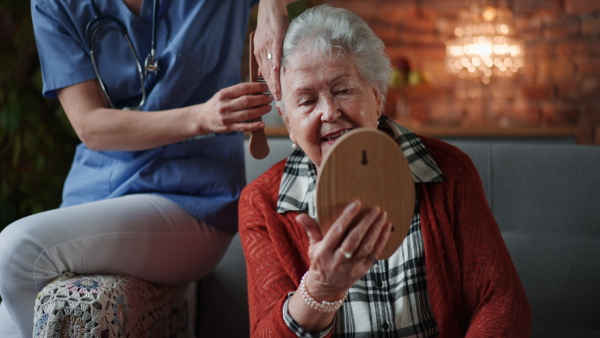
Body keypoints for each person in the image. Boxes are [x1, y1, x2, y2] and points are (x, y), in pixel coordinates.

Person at [0, 0, 296, 337]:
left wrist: (273, 7)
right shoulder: (56, 4)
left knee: (16, 252)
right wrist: (202, 117)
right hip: (96, 192)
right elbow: (90, 126)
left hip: (193, 198)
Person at [238, 5, 532, 337]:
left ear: (377, 97)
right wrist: (320, 290)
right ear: (288, 122)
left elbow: (501, 303)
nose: (329, 112)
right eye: (306, 101)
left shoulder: (449, 170)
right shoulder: (262, 203)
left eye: (343, 89)